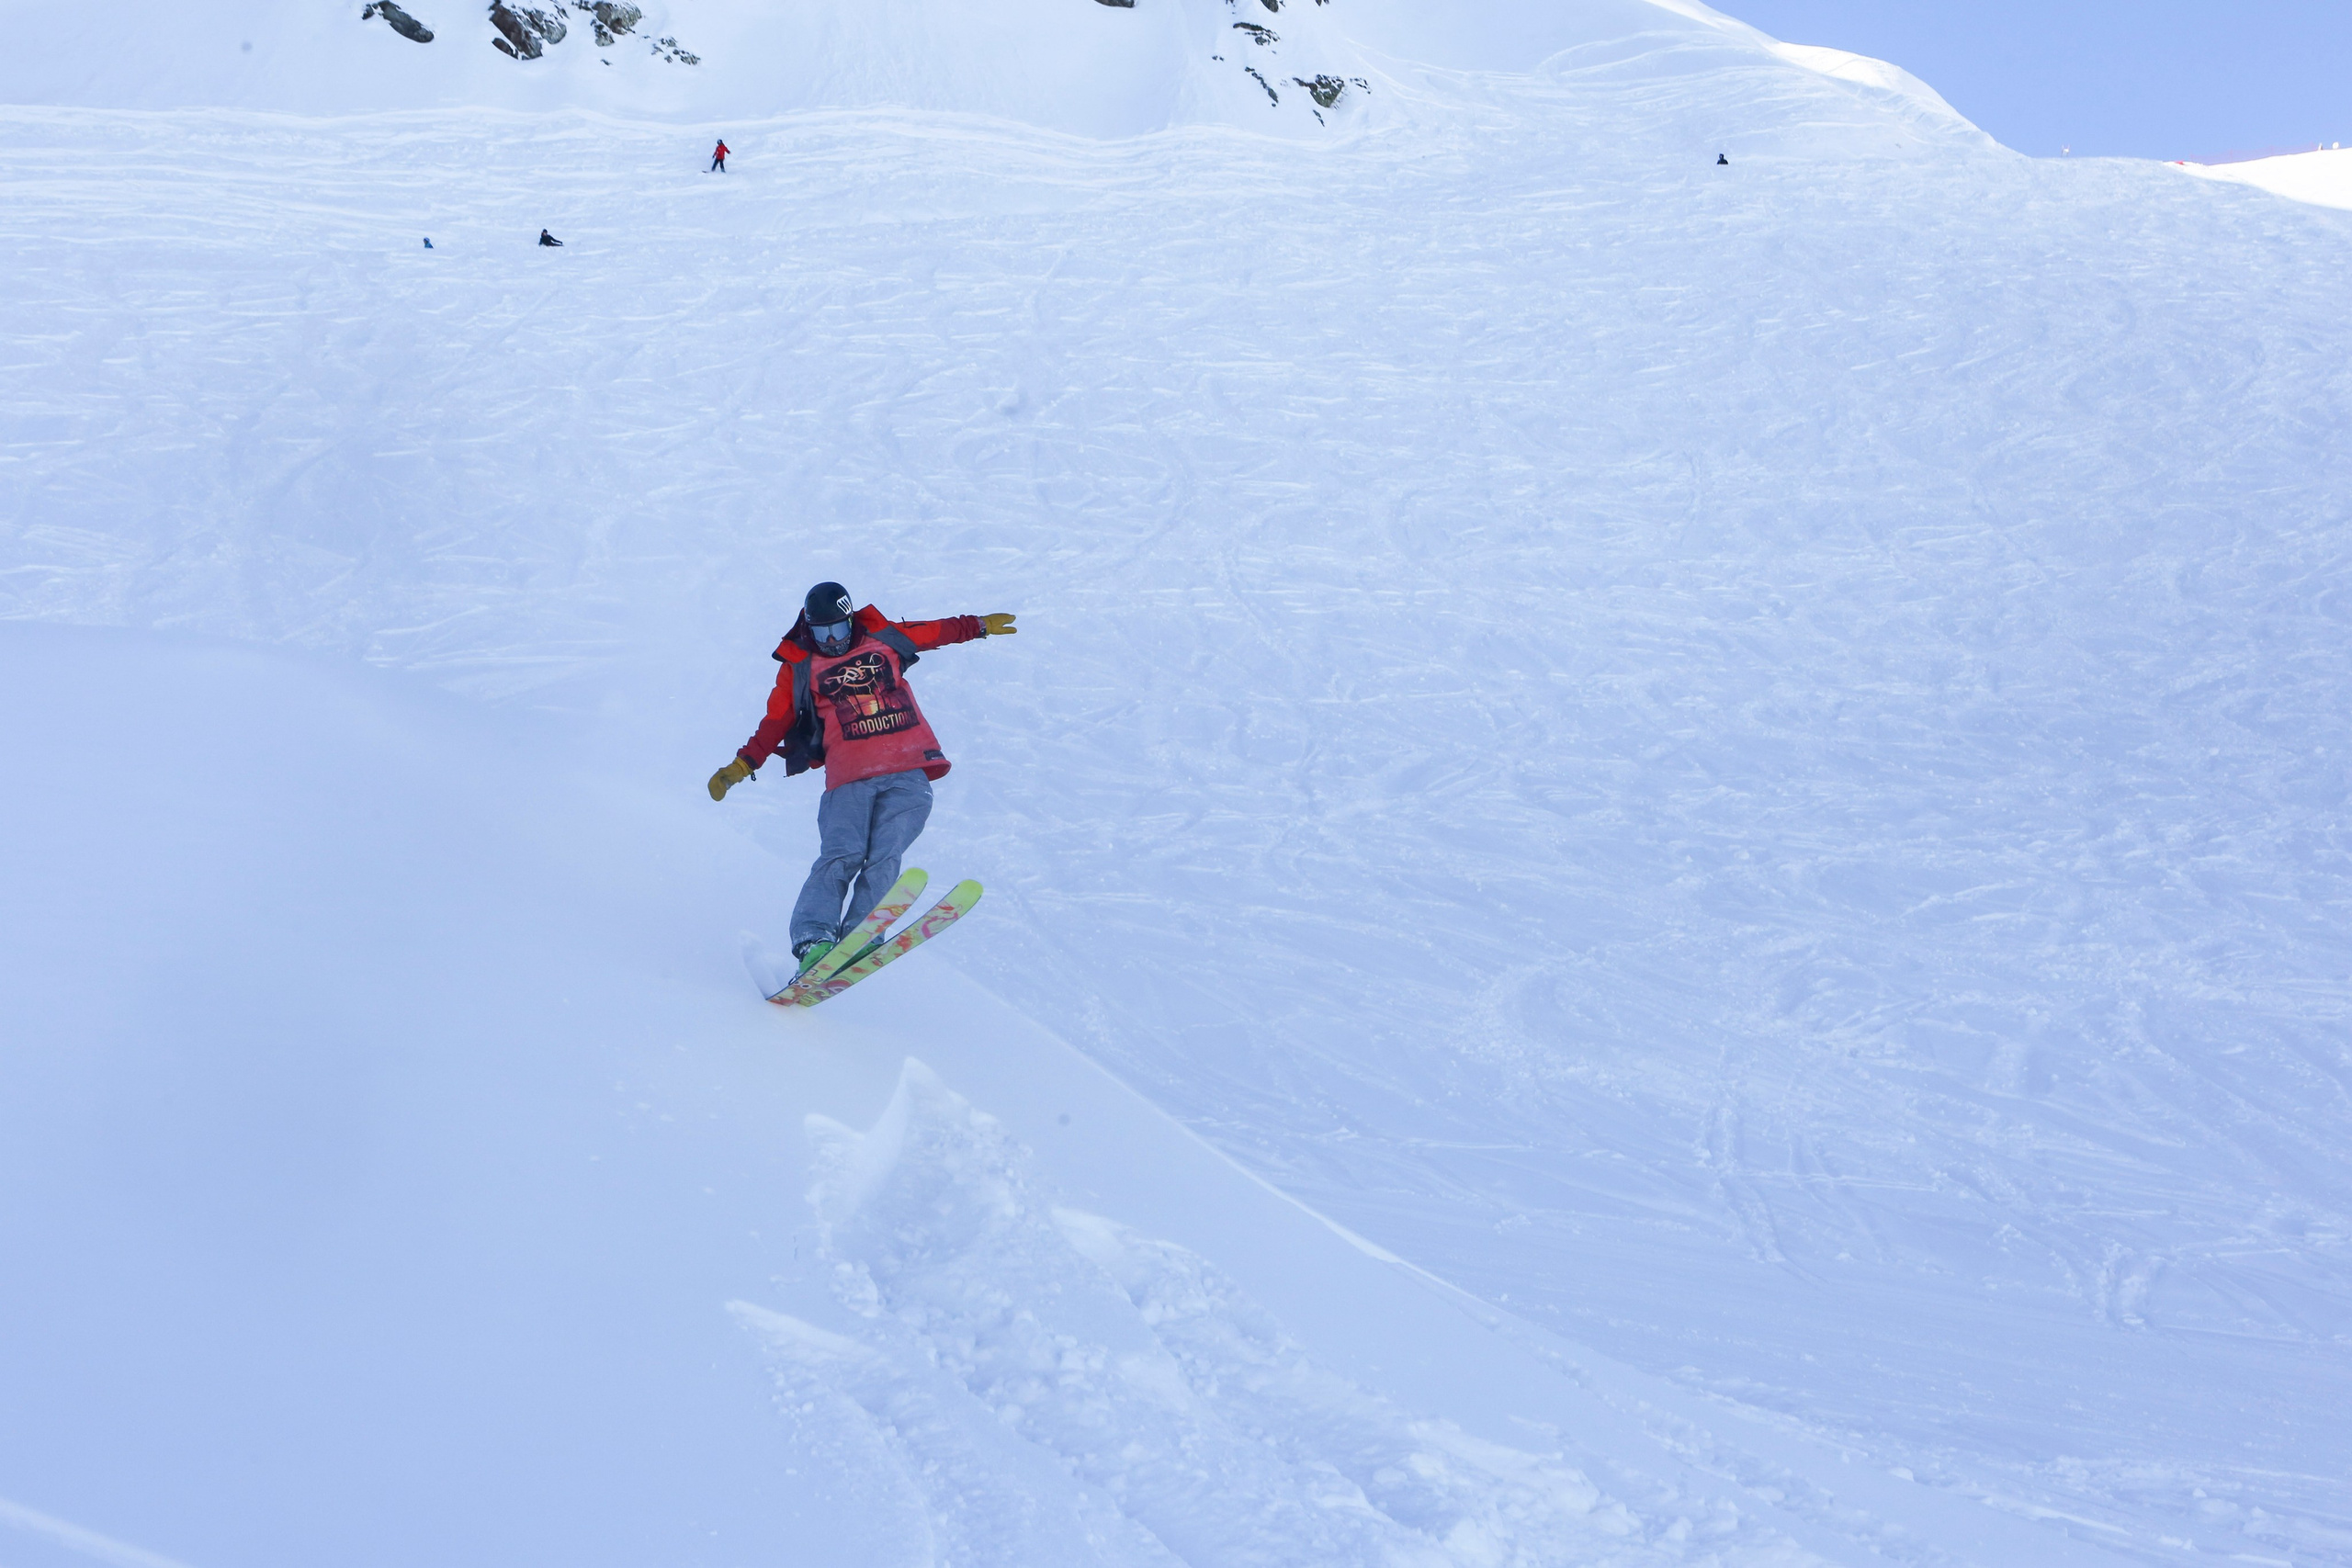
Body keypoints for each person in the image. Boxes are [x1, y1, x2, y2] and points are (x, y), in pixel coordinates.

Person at [708, 582, 1016, 976]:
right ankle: (815, 939)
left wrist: (979, 625)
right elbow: (775, 722)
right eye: (822, 633)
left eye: (838, 629)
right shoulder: (799, 665)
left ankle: (862, 935)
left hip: (908, 769)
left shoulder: (883, 637)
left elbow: (936, 631)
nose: (831, 641)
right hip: (849, 778)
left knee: (886, 855)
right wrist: (742, 765)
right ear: (808, 628)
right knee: (842, 855)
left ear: (851, 620)